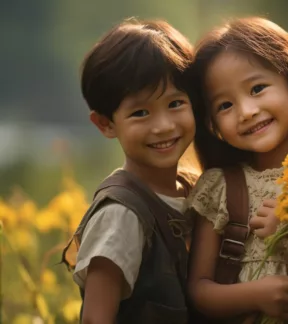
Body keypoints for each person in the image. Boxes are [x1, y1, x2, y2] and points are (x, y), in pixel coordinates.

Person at [186, 17, 288, 323]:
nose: (246, 112)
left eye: (257, 88)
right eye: (224, 105)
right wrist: (258, 294)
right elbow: (198, 290)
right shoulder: (221, 186)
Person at [62, 18, 199, 324]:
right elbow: (97, 318)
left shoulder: (195, 190)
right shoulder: (121, 214)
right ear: (106, 124)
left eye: (175, 103)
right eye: (140, 113)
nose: (163, 125)